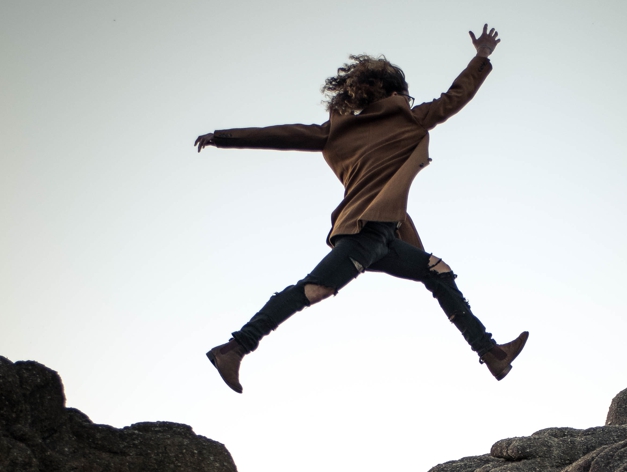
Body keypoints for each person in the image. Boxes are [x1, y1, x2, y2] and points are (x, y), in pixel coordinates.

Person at [195, 23, 527, 394]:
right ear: (395, 93)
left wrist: (223, 137)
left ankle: (491, 353)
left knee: (437, 271)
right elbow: (455, 97)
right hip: (364, 232)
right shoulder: (408, 118)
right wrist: (480, 57)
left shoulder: (336, 130)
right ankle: (236, 348)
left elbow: (279, 133)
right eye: (406, 93)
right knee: (314, 289)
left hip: (385, 234)